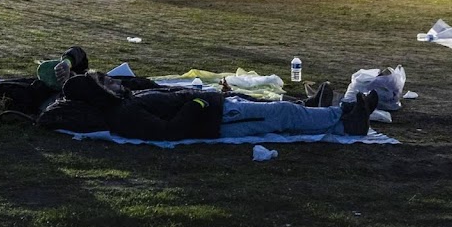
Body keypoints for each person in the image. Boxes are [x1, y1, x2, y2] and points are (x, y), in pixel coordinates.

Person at [40, 71, 377, 140]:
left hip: (216, 111)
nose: (114, 82)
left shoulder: (126, 99)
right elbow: (167, 132)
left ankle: (345, 121)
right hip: (217, 118)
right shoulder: (124, 115)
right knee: (282, 115)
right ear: (99, 95)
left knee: (280, 118)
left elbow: (138, 83)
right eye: (105, 82)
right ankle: (343, 114)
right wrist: (199, 101)